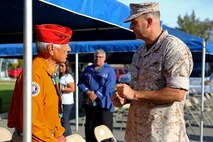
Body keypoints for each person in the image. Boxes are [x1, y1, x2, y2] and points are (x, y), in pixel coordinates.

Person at [111, 2, 193, 142]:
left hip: (163, 135)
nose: (130, 27)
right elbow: (137, 90)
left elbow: (177, 93)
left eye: (134, 22)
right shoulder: (139, 53)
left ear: (149, 22)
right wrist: (124, 99)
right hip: (136, 133)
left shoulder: (173, 48)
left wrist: (135, 94)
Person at [7, 24, 73, 142]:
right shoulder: (34, 74)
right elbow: (31, 120)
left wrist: (57, 133)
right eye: (65, 44)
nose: (69, 49)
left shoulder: (48, 72)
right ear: (51, 49)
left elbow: (53, 112)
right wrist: (52, 140)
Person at [78, 49, 116, 142]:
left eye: (100, 57)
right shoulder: (88, 69)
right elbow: (80, 83)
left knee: (104, 132)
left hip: (104, 105)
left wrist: (96, 95)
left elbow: (109, 86)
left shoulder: (110, 71)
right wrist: (88, 92)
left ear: (104, 58)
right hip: (90, 104)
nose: (97, 59)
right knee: (90, 129)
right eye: (96, 56)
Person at [59, 61, 75, 137]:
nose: (60, 67)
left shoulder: (68, 76)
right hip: (61, 102)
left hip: (67, 102)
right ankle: (64, 135)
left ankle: (68, 136)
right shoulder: (60, 76)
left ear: (66, 67)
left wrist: (62, 89)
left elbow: (72, 88)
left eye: (62, 66)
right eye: (59, 66)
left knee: (65, 120)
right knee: (62, 120)